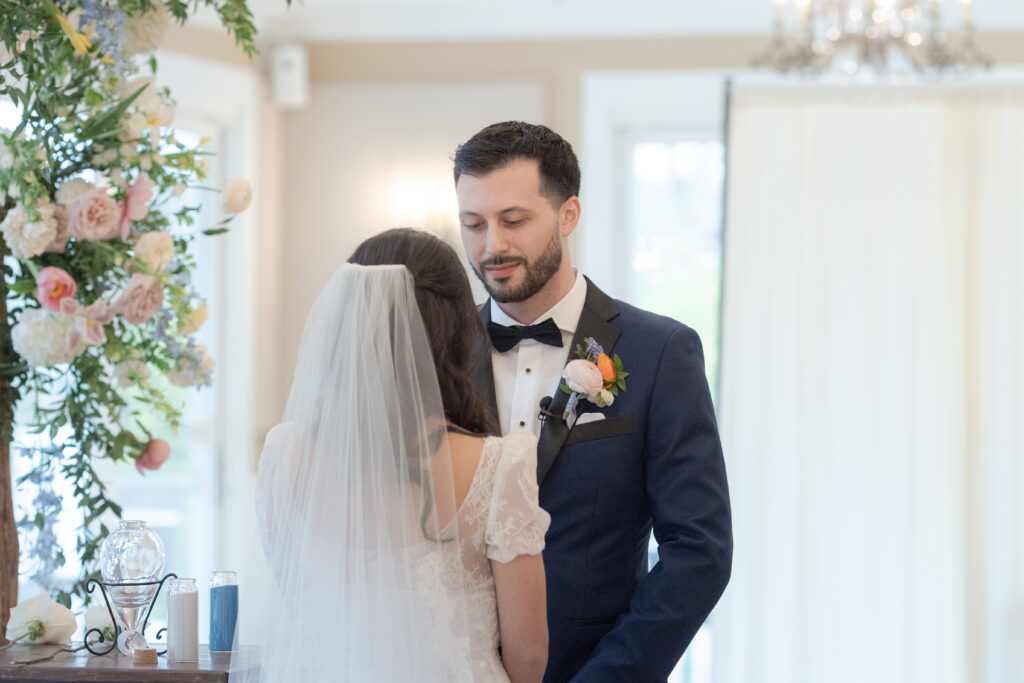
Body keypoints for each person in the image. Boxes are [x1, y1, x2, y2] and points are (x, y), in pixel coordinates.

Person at [454, 122, 733, 682]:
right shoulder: (438, 355)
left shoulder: (660, 351)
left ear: (568, 215)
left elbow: (698, 551)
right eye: (474, 224)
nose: (492, 247)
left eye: (513, 221)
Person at [247, 229, 551, 682]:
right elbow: (527, 655)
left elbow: (301, 608)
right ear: (456, 330)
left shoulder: (284, 456)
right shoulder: (499, 467)